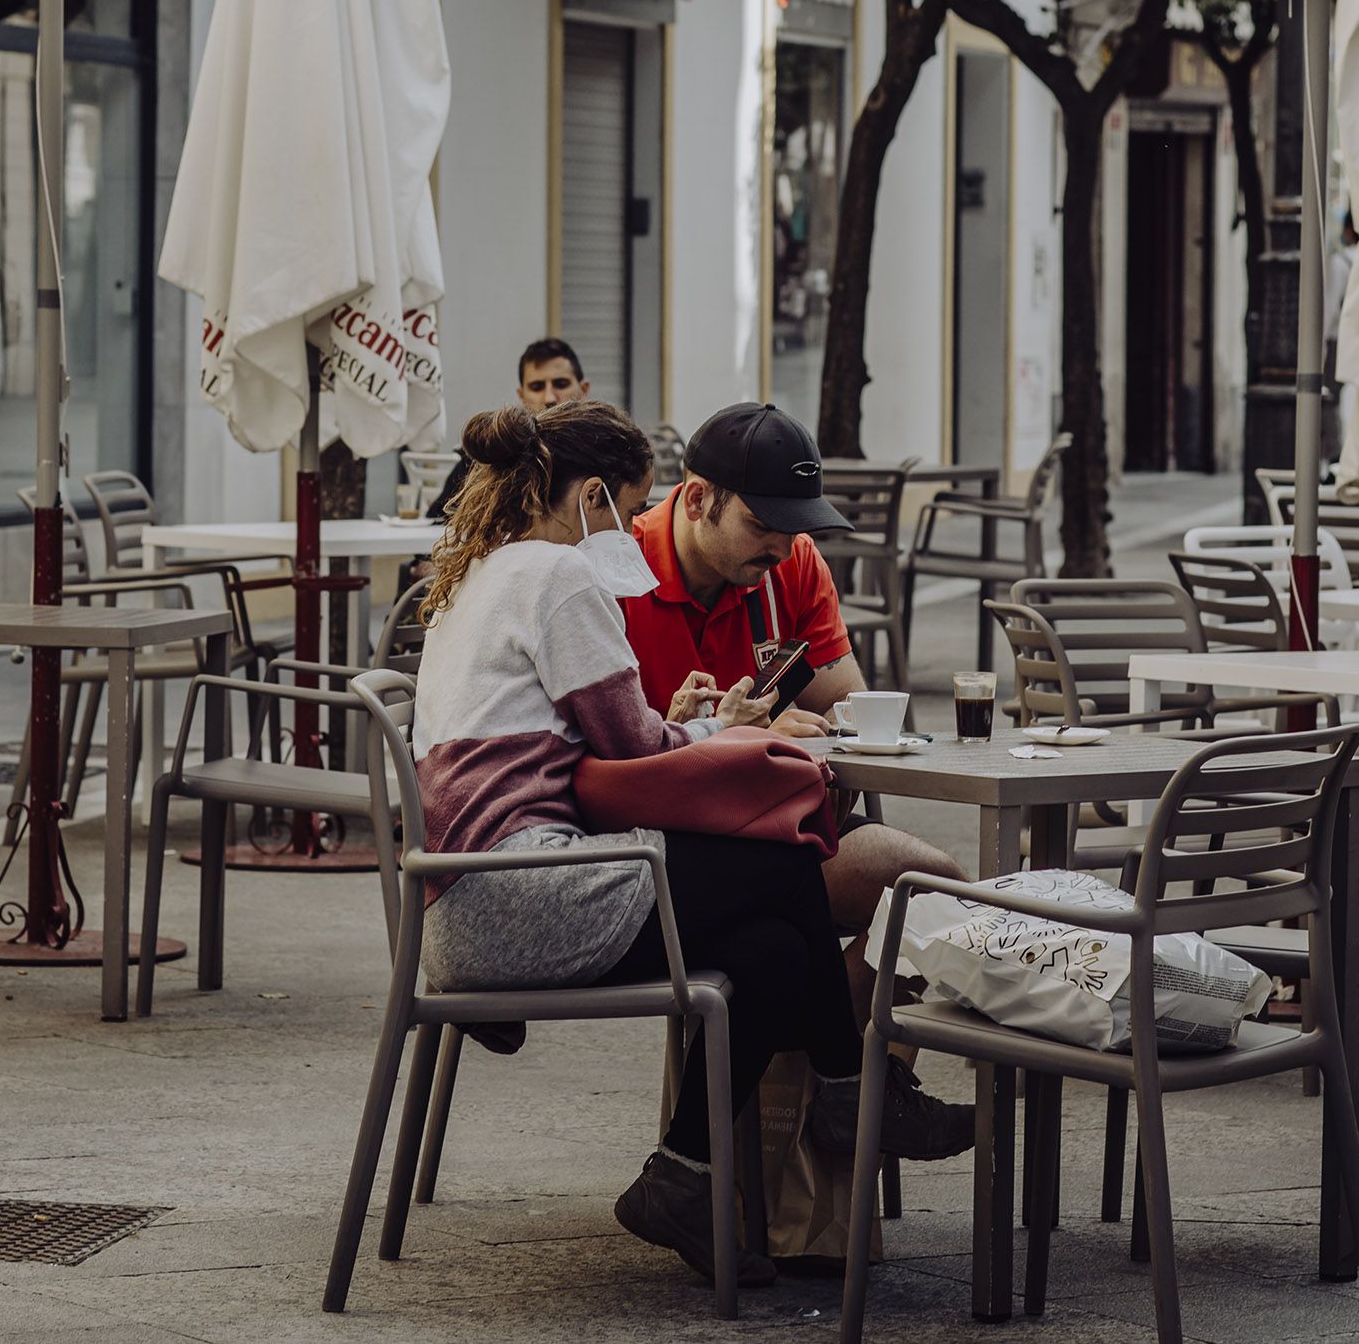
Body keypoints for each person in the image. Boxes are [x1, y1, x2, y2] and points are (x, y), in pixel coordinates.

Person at [410, 399, 969, 1284]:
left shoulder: (487, 572)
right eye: (625, 507)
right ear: (593, 496)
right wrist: (724, 731)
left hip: (468, 901)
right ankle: (847, 1092)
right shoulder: (559, 576)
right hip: (519, 894)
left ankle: (681, 1177)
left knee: (777, 947)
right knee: (785, 860)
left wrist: (689, 727)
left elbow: (612, 733)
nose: (629, 530)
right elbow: (632, 745)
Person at [619, 403, 968, 1004]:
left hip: (775, 829)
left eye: (796, 524)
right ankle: (823, 1073)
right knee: (905, 899)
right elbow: (603, 757)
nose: (782, 546)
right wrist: (747, 736)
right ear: (699, 498)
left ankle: (846, 1078)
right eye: (763, 525)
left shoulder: (793, 565)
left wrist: (823, 731)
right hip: (658, 852)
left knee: (938, 897)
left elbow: (851, 708)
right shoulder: (618, 569)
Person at [424, 337, 591, 519]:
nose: (550, 397)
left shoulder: (603, 452)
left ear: (583, 390)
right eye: (537, 387)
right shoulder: (491, 455)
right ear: (521, 395)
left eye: (561, 384)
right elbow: (438, 523)